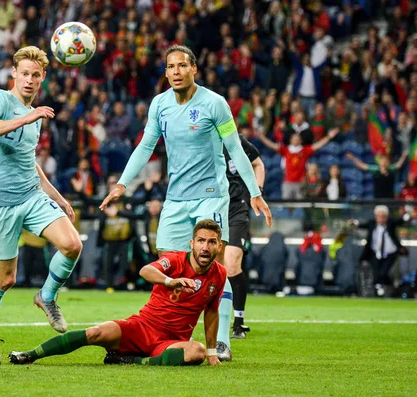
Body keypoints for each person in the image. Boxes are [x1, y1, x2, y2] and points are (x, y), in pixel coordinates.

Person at [100, 45, 272, 362]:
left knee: (213, 265)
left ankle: (221, 342)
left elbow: (235, 149)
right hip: (176, 198)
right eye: (171, 67)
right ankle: (174, 336)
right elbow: (145, 146)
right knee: (171, 263)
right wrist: (123, 183)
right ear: (165, 72)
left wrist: (255, 192)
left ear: (194, 68)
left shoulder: (214, 104)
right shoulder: (160, 105)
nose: (176, 71)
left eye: (182, 65)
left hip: (210, 195)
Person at [0, 46, 82, 365]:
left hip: (31, 196)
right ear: (14, 74)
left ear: (43, 77)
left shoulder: (36, 118)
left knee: (72, 244)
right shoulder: (1, 99)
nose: (30, 80)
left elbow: (29, 162)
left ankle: (46, 297)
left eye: (36, 75)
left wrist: (57, 196)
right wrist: (28, 116)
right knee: (4, 279)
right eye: (25, 73)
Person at [9, 219, 227, 367]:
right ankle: (29, 355)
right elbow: (146, 270)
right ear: (192, 243)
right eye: (201, 241)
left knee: (195, 352)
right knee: (94, 333)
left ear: (219, 246)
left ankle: (133, 361)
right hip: (142, 327)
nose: (205, 247)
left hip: (172, 341)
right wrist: (171, 281)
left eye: (211, 242)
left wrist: (211, 353)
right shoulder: (175, 260)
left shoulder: (219, 275)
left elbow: (212, 313)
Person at [223, 133, 265, 339]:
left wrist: (257, 192)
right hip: (211, 206)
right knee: (213, 266)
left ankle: (238, 322)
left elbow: (258, 164)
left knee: (231, 264)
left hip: (236, 208)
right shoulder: (200, 139)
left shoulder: (235, 140)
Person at [256, 128, 339, 199]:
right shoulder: (286, 150)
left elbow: (317, 145)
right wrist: (262, 137)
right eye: (294, 138)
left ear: (301, 140)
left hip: (301, 183)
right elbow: (272, 145)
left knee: (300, 205)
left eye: (298, 138)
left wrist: (328, 137)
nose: (296, 139)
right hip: (288, 182)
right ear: (291, 140)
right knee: (286, 205)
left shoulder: (304, 150)